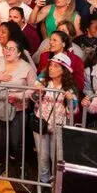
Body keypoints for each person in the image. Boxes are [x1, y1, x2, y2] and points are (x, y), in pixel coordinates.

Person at [0, 38, 36, 176]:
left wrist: (19, 96)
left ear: (19, 53)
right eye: (6, 48)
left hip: (18, 109)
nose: (7, 51)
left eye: (11, 49)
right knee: (2, 139)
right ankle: (2, 164)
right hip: (0, 107)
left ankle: (21, 165)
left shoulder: (27, 68)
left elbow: (34, 90)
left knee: (16, 141)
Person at [30, 53, 79, 184]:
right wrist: (37, 92)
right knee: (42, 156)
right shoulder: (43, 81)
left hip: (58, 127)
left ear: (64, 70)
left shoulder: (69, 88)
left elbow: (74, 110)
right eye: (50, 65)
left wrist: (70, 100)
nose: (51, 68)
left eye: (55, 66)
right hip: (40, 122)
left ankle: (55, 183)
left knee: (55, 156)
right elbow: (33, 99)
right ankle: (44, 181)